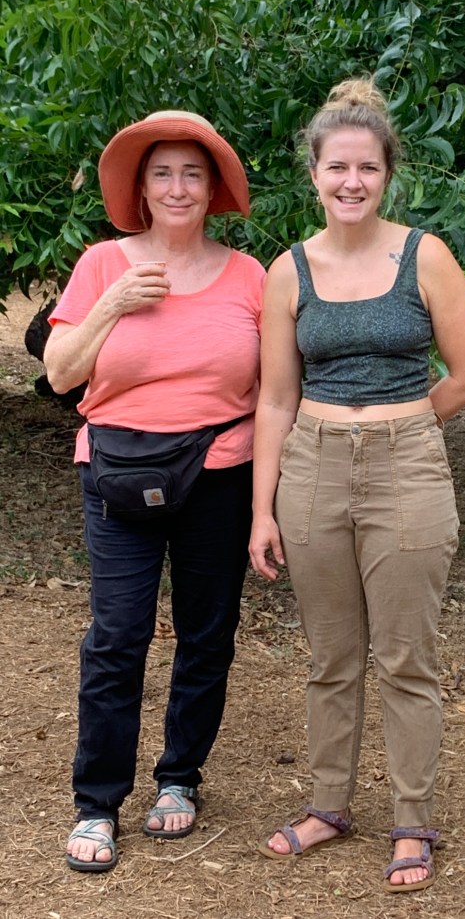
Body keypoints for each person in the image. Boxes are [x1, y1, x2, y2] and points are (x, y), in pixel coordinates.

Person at [248, 78, 465, 893]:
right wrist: (261, 508)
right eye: (336, 167)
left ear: (388, 174)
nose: (351, 181)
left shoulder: (424, 254)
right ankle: (327, 804)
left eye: (367, 168)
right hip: (310, 468)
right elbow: (274, 396)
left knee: (406, 657)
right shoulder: (288, 271)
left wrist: (403, 421)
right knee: (331, 656)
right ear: (312, 173)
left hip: (405, 467)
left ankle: (412, 818)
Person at [43, 111, 265, 872]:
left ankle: (179, 778)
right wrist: (112, 306)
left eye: (192, 173)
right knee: (117, 636)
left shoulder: (249, 276)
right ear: (140, 187)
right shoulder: (103, 263)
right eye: (162, 172)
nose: (177, 186)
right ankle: (98, 800)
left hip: (220, 470)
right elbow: (60, 373)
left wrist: (269, 501)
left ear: (213, 190)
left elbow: (273, 394)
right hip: (115, 471)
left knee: (207, 635)